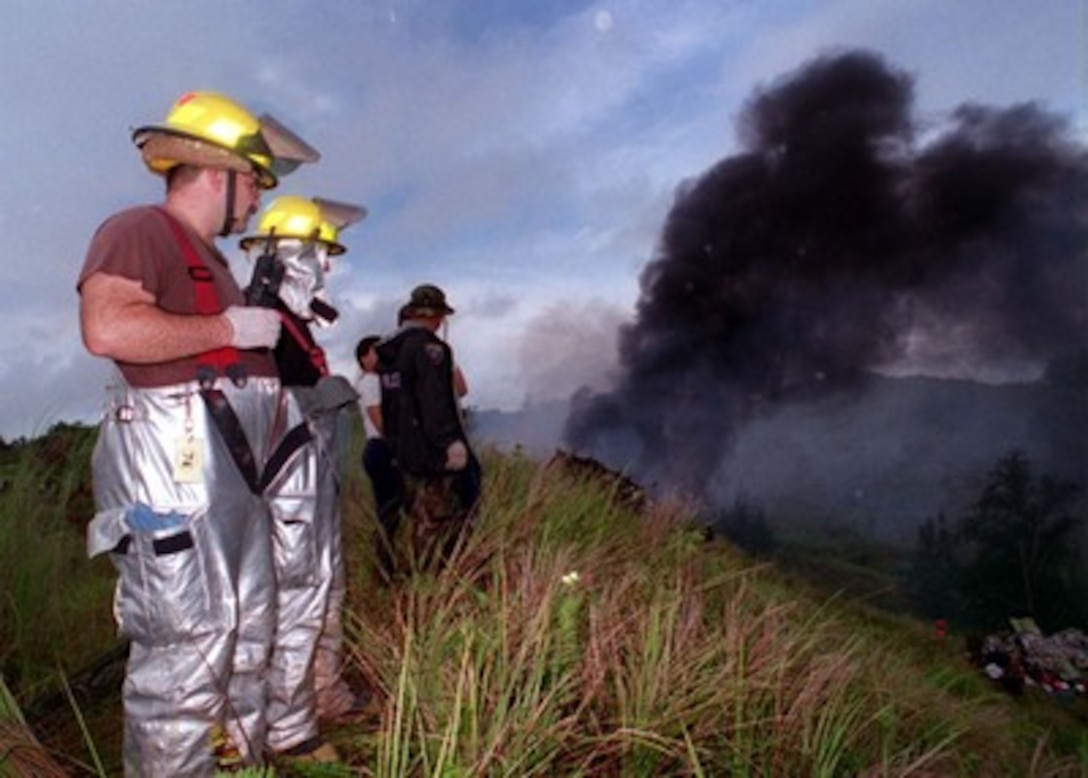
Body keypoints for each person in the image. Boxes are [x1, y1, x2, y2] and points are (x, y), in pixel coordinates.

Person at [78, 90, 318, 776]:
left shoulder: (214, 262)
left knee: (245, 632)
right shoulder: (138, 230)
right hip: (172, 473)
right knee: (187, 651)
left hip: (230, 477)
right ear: (220, 172)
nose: (258, 201)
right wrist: (224, 330)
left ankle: (233, 766)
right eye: (255, 183)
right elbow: (108, 328)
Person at [239, 195, 368, 762]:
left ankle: (324, 693)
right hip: (284, 495)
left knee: (324, 590)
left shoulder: (295, 327)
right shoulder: (262, 326)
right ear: (293, 257)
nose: (329, 269)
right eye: (321, 255)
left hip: (313, 486)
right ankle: (286, 730)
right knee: (293, 601)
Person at [376, 284, 479, 569]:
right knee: (437, 519)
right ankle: (431, 582)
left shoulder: (389, 352)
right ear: (437, 316)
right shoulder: (430, 349)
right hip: (430, 450)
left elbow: (392, 405)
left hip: (400, 448)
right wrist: (450, 442)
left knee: (411, 515)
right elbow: (435, 401)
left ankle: (403, 575)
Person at [354, 334, 404, 584]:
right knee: (389, 512)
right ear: (364, 358)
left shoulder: (379, 381)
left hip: (382, 448)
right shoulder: (371, 383)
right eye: (376, 352)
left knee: (393, 510)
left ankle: (389, 567)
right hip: (383, 448)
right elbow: (378, 419)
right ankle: (385, 570)